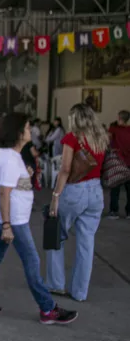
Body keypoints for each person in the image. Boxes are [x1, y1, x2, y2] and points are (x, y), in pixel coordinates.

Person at [0, 112, 77, 325]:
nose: (30, 131)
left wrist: (26, 175)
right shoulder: (9, 158)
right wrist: (7, 225)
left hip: (8, 218)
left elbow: (12, 186)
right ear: (18, 133)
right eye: (27, 128)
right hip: (13, 220)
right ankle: (48, 309)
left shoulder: (8, 155)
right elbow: (3, 193)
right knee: (32, 262)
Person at [47, 104, 108, 302]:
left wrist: (56, 196)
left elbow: (65, 169)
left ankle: (56, 284)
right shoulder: (101, 137)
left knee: (56, 234)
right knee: (86, 242)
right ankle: (79, 292)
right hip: (96, 192)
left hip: (75, 191)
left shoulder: (72, 138)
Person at [108, 110, 130, 219]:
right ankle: (129, 212)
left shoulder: (114, 129)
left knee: (115, 188)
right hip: (129, 162)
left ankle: (113, 211)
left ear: (119, 118)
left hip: (118, 162)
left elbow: (107, 141)